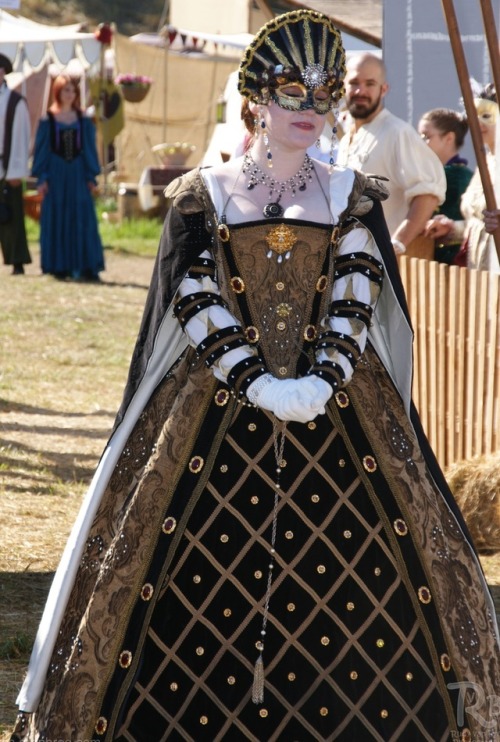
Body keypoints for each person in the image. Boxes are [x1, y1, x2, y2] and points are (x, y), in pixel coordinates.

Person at [11, 11, 500, 742]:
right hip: (211, 406)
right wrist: (255, 379)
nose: (309, 109)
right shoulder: (203, 196)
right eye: (290, 93)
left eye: (323, 93)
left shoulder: (351, 194)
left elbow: (360, 284)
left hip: (342, 412)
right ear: (255, 99)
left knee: (358, 581)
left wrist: (325, 374)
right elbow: (193, 291)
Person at [336, 52, 446, 258]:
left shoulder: (397, 132)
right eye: (354, 83)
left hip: (382, 265)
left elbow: (427, 193)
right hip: (350, 260)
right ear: (344, 86)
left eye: (370, 84)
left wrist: (397, 244)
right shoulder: (346, 140)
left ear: (383, 89)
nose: (361, 91)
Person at [31, 74, 104, 281]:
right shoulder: (48, 120)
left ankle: (87, 266)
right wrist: (42, 178)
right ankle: (58, 266)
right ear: (58, 92)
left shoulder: (83, 120)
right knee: (57, 216)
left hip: (78, 173)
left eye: (73, 90)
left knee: (81, 217)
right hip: (56, 174)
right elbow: (42, 151)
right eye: (66, 90)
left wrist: (91, 175)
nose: (70, 94)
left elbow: (89, 148)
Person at [425, 84, 500, 272]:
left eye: (487, 116)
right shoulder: (486, 161)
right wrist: (452, 229)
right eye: (474, 117)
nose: (479, 123)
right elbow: (476, 223)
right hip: (480, 274)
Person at [418, 108, 473, 264]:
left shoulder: (455, 177)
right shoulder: (444, 173)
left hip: (449, 264)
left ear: (449, 138)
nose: (420, 143)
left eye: (426, 137)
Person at [0, 53, 31, 275]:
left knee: (11, 215)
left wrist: (16, 171)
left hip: (8, 166)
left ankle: (16, 260)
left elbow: (21, 138)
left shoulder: (15, 101)